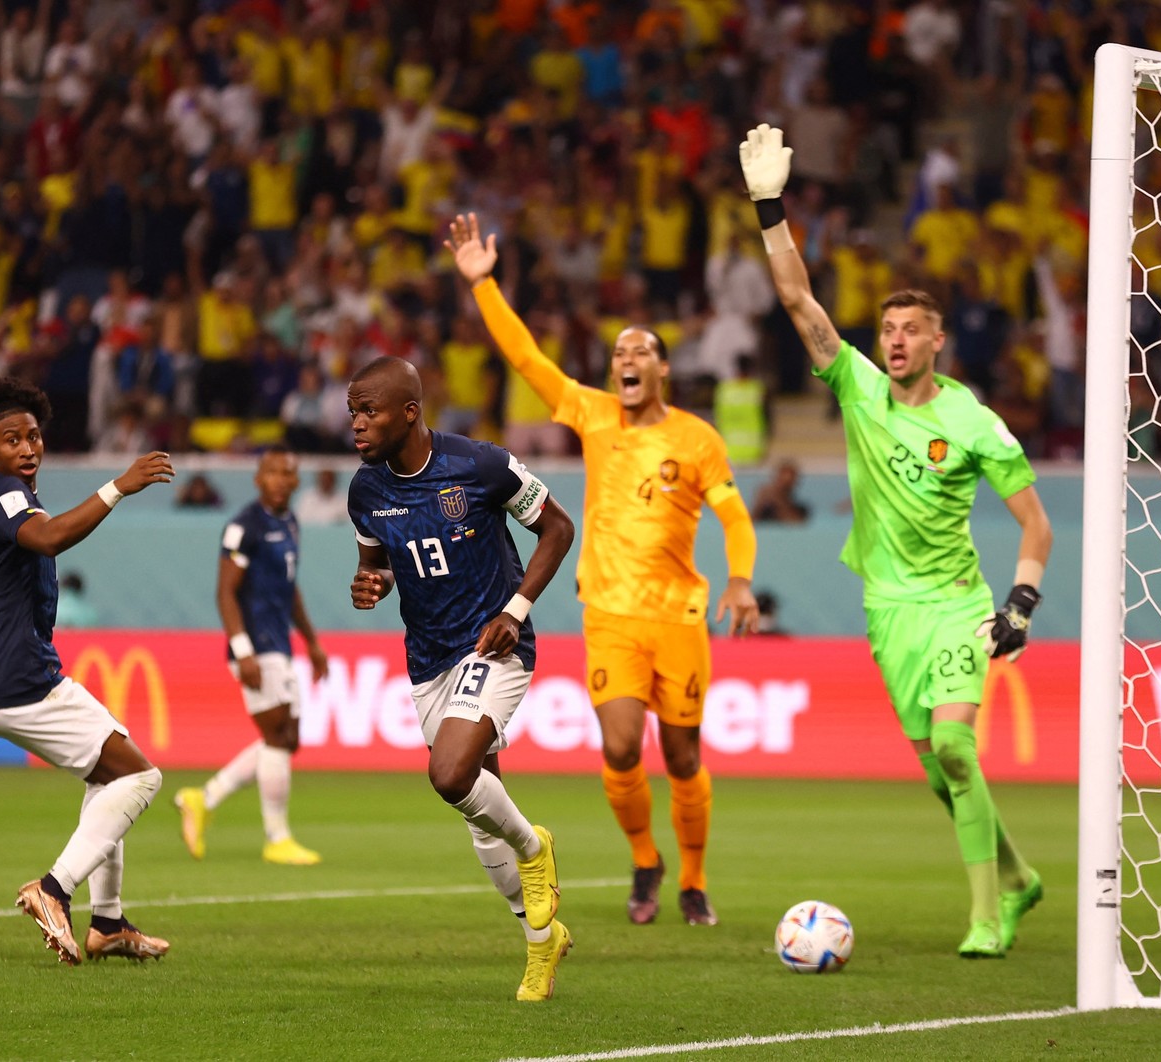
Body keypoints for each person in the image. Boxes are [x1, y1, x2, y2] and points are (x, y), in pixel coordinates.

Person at [740, 124, 1053, 957]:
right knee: (939, 774)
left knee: (955, 747)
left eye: (910, 329)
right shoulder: (857, 390)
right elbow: (798, 299)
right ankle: (1019, 877)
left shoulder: (973, 421)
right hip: (889, 611)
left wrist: (1019, 606)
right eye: (887, 330)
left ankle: (988, 916)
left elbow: (1035, 523)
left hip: (956, 605)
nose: (895, 340)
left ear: (936, 338)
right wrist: (769, 208)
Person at [448, 213, 761, 928]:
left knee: (681, 756)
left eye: (640, 349)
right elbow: (527, 360)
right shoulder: (591, 414)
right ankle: (646, 864)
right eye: (618, 349)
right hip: (611, 614)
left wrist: (738, 579)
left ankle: (694, 879)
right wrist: (483, 285)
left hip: (679, 614)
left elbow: (734, 517)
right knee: (620, 746)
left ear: (661, 369)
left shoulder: (696, 438)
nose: (626, 356)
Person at [346, 356, 576, 1002]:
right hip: (428, 661)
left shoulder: (479, 466)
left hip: (493, 643)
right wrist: (371, 583)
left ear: (410, 413)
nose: (357, 425)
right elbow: (377, 564)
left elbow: (558, 528)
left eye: (369, 411)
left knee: (448, 774)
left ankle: (535, 849)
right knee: (479, 817)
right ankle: (542, 944)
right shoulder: (365, 491)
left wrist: (515, 609)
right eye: (352, 413)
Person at [0, 373, 176, 966]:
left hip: (3, 677)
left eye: (32, 436)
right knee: (142, 778)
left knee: (109, 778)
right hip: (16, 680)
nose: (27, 448)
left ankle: (108, 923)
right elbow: (49, 540)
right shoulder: (2, 495)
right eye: (10, 439)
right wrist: (118, 487)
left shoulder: (6, 497)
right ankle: (53, 890)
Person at [174, 446, 331, 866]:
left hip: (279, 642)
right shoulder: (243, 527)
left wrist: (312, 642)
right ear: (258, 478)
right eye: (273, 472)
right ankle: (276, 837)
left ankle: (202, 798)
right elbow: (225, 591)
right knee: (278, 736)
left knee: (285, 738)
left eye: (289, 472)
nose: (281, 479)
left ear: (296, 482)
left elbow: (290, 588)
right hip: (254, 647)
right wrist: (243, 651)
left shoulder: (291, 523)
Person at [751, 460, 811, 524]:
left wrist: (777, 499)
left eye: (788, 483)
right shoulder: (765, 510)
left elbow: (795, 523)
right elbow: (750, 523)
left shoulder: (801, 510)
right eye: (781, 481)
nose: (783, 487)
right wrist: (759, 502)